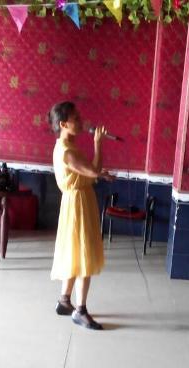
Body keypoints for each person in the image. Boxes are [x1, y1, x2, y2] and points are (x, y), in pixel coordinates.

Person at [49, 101, 113, 330]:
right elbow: (91, 170)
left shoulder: (66, 146)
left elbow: (85, 172)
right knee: (84, 253)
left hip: (77, 200)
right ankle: (80, 310)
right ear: (63, 124)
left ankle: (64, 301)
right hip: (78, 204)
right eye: (76, 118)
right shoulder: (66, 151)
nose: (81, 121)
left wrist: (99, 175)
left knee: (75, 252)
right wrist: (98, 143)